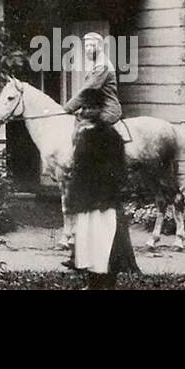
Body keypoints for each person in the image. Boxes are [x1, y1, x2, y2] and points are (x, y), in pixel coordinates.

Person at [63, 32, 139, 288]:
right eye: (86, 45)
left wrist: (66, 108)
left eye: (94, 44)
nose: (90, 48)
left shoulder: (103, 66)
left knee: (88, 131)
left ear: (101, 46)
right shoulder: (93, 64)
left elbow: (89, 92)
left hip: (106, 109)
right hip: (94, 105)